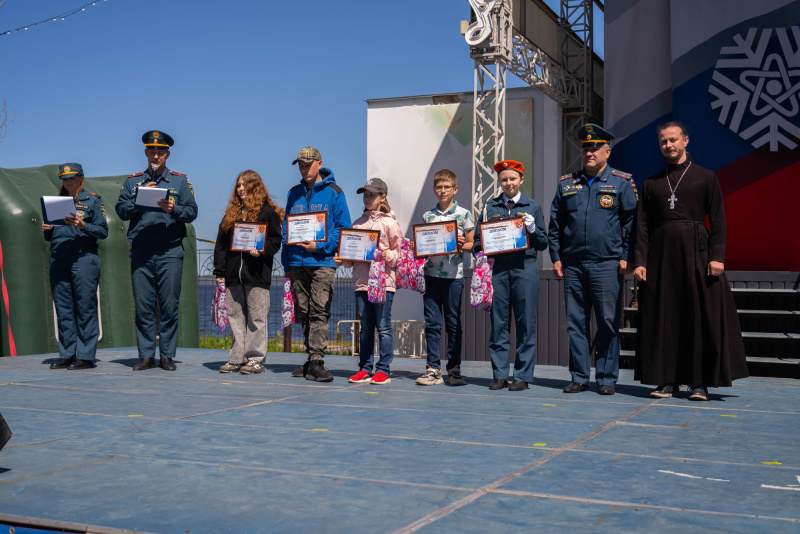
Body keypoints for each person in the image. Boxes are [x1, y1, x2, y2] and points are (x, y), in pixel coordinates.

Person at [634, 122, 748, 401]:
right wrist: (640, 261)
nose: (668, 146)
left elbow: (718, 220)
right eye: (663, 142)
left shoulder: (706, 177)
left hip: (697, 254)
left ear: (685, 140)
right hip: (661, 257)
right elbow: (642, 227)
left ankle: (699, 382)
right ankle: (666, 380)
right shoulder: (652, 183)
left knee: (697, 316)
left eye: (673, 140)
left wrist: (717, 257)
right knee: (664, 317)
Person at [548, 123, 638, 396]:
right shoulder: (567, 184)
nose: (589, 152)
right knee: (576, 324)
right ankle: (578, 376)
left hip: (607, 265)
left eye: (595, 148)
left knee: (607, 323)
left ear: (607, 152)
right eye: (586, 148)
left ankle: (607, 378)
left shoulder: (621, 182)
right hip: (573, 265)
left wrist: (626, 256)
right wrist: (556, 257)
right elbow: (555, 224)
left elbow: (632, 223)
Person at [115, 130, 198, 371]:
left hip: (170, 252)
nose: (156, 155)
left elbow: (192, 211)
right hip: (141, 251)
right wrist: (138, 199)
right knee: (143, 306)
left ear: (167, 154)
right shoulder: (133, 181)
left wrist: (174, 209)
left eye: (160, 151)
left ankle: (167, 356)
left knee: (169, 306)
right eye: (151, 150)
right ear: (145, 153)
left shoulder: (180, 181)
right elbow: (121, 210)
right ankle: (146, 356)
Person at [473, 160, 548, 391]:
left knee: (526, 323)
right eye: (504, 179)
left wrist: (533, 229)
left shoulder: (532, 206)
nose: (508, 183)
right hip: (498, 270)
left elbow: (544, 243)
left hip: (524, 267)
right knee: (499, 323)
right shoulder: (489, 207)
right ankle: (500, 374)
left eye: (513, 179)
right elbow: (477, 241)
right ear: (499, 182)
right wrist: (482, 252)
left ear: (521, 180)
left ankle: (523, 376)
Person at [283, 147, 352, 382]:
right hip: (297, 262)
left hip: (322, 262)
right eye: (300, 165)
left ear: (319, 163)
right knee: (304, 312)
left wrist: (318, 247)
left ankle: (317, 360)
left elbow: (343, 229)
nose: (303, 168)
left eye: (308, 164)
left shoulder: (335, 192)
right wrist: (287, 264)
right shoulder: (293, 193)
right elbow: (287, 230)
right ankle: (310, 359)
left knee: (319, 311)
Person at [213, 170, 283, 374]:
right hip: (234, 275)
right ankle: (236, 358)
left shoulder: (268, 212)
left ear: (255, 187)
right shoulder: (231, 214)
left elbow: (275, 240)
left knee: (257, 318)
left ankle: (255, 359)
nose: (240, 189)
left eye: (245, 185)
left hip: (257, 275)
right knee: (235, 316)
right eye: (238, 185)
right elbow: (221, 245)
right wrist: (220, 271)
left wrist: (262, 251)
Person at [335, 178, 403, 385]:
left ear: (383, 197)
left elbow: (399, 256)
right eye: (365, 194)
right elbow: (352, 258)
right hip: (361, 283)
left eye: (371, 194)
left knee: (383, 327)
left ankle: (383, 369)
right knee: (365, 329)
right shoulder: (357, 223)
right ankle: (365, 368)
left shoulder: (391, 223)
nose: (367, 198)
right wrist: (342, 259)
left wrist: (383, 255)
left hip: (383, 284)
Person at [43, 163, 108, 370]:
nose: (68, 182)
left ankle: (86, 357)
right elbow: (52, 237)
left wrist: (83, 225)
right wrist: (48, 229)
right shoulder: (55, 203)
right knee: (63, 309)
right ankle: (67, 354)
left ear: (81, 178)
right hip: (59, 259)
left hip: (83, 260)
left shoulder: (93, 201)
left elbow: (103, 231)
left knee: (85, 308)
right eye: (64, 179)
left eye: (72, 178)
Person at [415, 169, 474, 387]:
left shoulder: (465, 214)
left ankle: (454, 368)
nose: (442, 191)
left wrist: (460, 244)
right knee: (432, 323)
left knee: (453, 323)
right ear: (434, 190)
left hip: (454, 276)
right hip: (431, 275)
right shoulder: (428, 216)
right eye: (439, 187)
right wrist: (418, 246)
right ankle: (432, 368)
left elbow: (471, 245)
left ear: (455, 189)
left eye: (447, 187)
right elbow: (425, 245)